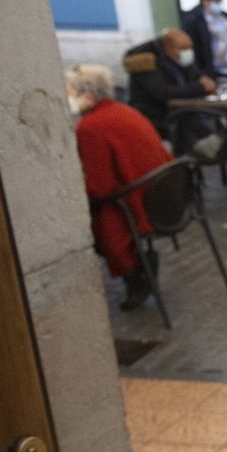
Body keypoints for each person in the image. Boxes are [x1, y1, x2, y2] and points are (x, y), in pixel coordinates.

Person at [68, 65, 172, 310]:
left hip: (140, 203)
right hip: (166, 196)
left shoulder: (90, 127)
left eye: (69, 93)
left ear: (87, 96)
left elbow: (98, 187)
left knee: (96, 216)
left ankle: (136, 273)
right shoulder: (125, 111)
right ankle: (139, 271)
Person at [123, 28, 218, 155]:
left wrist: (204, 80)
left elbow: (195, 74)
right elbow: (162, 93)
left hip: (182, 116)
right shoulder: (144, 60)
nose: (188, 52)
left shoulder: (177, 58)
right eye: (184, 49)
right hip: (157, 121)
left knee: (211, 138)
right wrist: (200, 87)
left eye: (190, 48)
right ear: (169, 48)